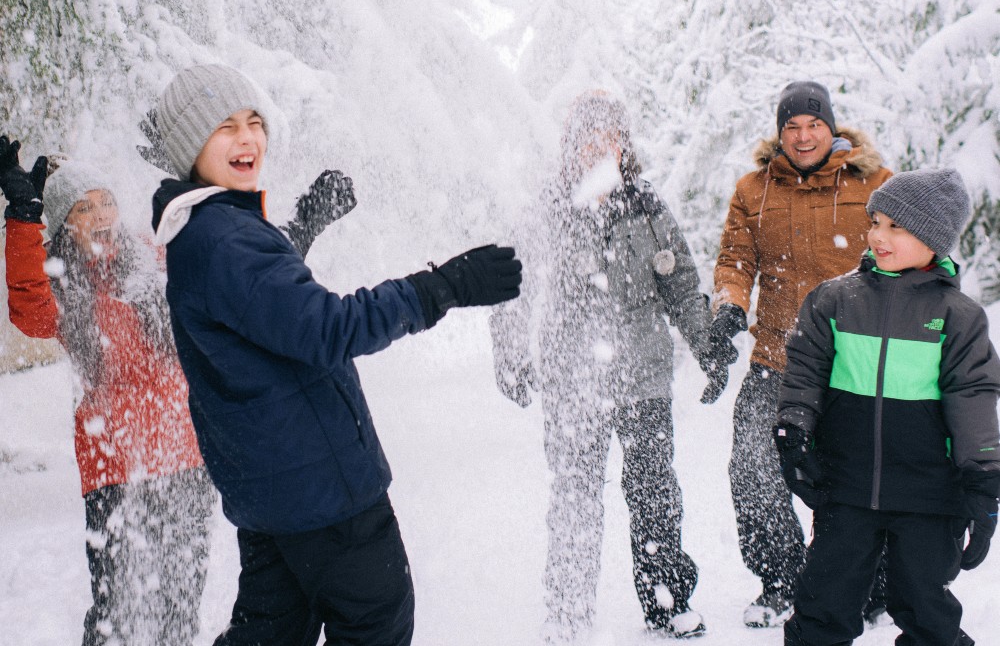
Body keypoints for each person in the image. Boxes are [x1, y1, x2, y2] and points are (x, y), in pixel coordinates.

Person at [149, 62, 522, 646]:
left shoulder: (206, 231)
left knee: (270, 632)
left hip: (275, 488)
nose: (248, 138)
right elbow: (325, 328)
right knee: (376, 621)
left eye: (254, 121)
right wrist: (446, 286)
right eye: (225, 127)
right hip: (320, 490)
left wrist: (303, 225)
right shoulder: (225, 239)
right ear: (191, 145)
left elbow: (267, 312)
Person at [1, 132, 354, 646]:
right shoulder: (67, 291)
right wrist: (23, 216)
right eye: (83, 207)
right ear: (63, 226)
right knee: (114, 611)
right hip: (115, 471)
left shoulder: (154, 259)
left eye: (106, 201)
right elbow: (28, 309)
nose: (100, 214)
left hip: (188, 458)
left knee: (178, 606)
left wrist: (306, 221)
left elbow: (238, 271)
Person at [490, 91, 712, 642]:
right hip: (574, 379)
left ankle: (667, 601)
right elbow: (511, 285)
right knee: (575, 496)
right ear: (571, 145)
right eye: (586, 136)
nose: (597, 146)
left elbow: (681, 283)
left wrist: (707, 345)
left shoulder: (645, 205)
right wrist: (513, 356)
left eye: (607, 135)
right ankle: (567, 614)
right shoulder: (551, 207)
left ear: (622, 143)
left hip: (643, 376)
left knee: (654, 491)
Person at [775, 168, 1000, 646]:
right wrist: (793, 431)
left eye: (896, 226)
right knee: (822, 606)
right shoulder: (835, 300)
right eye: (875, 221)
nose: (878, 235)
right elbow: (805, 371)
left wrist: (983, 483)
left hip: (929, 497)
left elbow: (974, 398)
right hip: (847, 488)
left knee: (926, 613)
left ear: (933, 239)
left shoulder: (958, 317)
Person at [699, 80, 892, 628]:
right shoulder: (753, 190)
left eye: (814, 125)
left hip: (853, 361)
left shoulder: (874, 184)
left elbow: (906, 255)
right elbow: (735, 262)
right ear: (779, 133)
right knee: (753, 467)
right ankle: (781, 579)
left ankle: (864, 582)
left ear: (832, 127)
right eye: (792, 126)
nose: (803, 136)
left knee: (853, 476)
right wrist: (731, 306)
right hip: (777, 359)